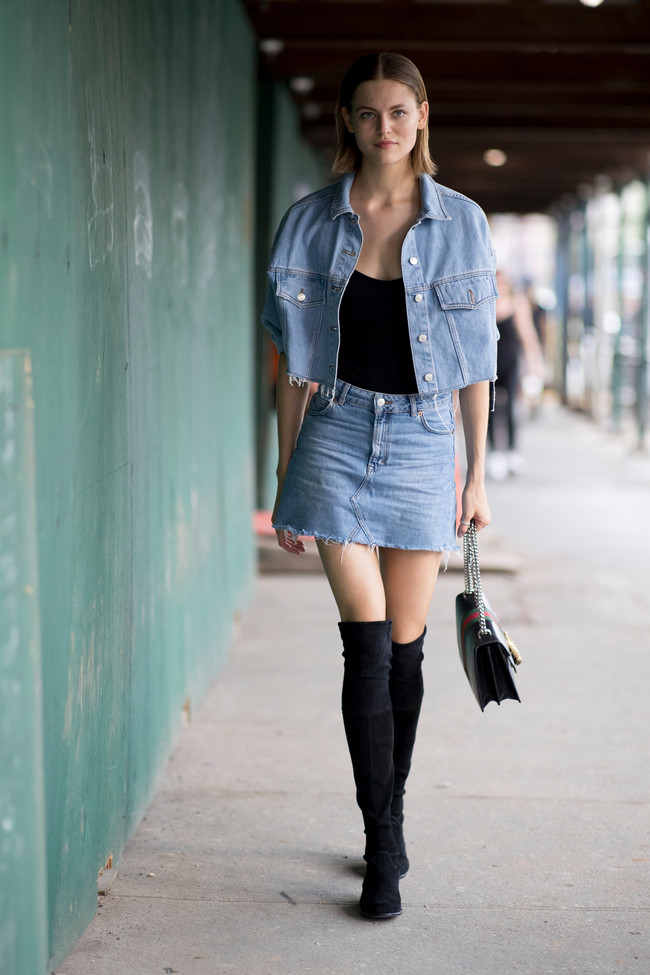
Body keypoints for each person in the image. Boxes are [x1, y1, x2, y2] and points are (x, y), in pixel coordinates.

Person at [261, 53, 497, 920]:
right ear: (349, 124)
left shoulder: (462, 222)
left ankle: (387, 813)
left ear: (423, 116)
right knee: (364, 643)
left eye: (399, 112)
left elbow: (476, 364)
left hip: (430, 438)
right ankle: (382, 846)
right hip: (336, 431)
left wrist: (474, 474)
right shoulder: (310, 223)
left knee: (405, 649)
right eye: (368, 113)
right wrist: (286, 468)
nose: (384, 128)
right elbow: (286, 360)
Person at [487, 270, 544, 478]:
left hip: (510, 364)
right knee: (489, 409)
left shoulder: (517, 305)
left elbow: (528, 338)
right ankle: (494, 453)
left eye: (504, 283)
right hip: (489, 367)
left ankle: (511, 451)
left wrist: (535, 366)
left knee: (511, 407)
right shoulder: (486, 304)